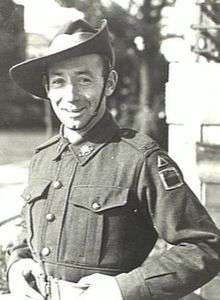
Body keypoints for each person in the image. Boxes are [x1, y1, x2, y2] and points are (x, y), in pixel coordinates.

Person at [5, 18, 220, 300]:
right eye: (59, 81)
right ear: (47, 88)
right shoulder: (43, 158)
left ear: (109, 83)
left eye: (84, 79)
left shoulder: (138, 159)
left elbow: (204, 245)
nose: (70, 96)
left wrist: (123, 289)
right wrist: (17, 265)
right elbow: (28, 229)